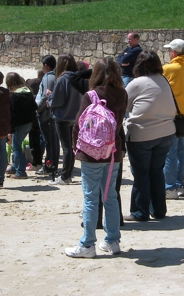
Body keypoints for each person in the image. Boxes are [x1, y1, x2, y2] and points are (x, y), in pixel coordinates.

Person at [65, 58, 127, 258]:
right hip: (113, 152)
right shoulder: (122, 94)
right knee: (110, 196)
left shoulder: (91, 95)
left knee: (91, 198)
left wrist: (77, 149)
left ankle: (87, 244)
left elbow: (78, 124)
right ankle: (112, 240)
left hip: (91, 153)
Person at [124, 51, 176, 221]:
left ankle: (140, 212)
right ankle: (159, 210)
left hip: (142, 133)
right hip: (167, 132)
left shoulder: (137, 83)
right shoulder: (164, 80)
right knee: (156, 171)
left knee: (141, 174)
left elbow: (123, 105)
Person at [162, 39, 184, 199]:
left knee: (170, 153)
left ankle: (169, 188)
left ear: (174, 52)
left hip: (171, 116)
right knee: (182, 153)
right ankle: (180, 185)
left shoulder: (168, 69)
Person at [48, 54, 82, 185]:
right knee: (71, 147)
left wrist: (50, 97)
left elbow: (57, 101)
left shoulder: (63, 79)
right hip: (74, 116)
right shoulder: (78, 77)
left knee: (66, 147)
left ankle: (64, 176)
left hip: (62, 117)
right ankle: (67, 174)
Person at [5, 73, 37, 179]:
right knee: (16, 145)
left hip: (19, 125)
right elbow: (34, 107)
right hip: (29, 123)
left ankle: (20, 172)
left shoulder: (13, 96)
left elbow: (11, 114)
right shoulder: (28, 92)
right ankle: (14, 167)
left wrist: (10, 129)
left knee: (16, 146)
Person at [35, 55, 60, 176]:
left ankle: (50, 166)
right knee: (52, 141)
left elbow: (45, 96)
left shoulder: (49, 78)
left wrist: (37, 108)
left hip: (46, 114)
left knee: (50, 141)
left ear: (46, 66)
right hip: (49, 114)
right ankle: (51, 165)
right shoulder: (52, 76)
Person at [26, 69, 45, 171]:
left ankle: (35, 163)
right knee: (40, 144)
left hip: (33, 126)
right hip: (41, 124)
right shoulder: (39, 97)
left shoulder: (31, 98)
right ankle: (39, 162)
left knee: (34, 145)